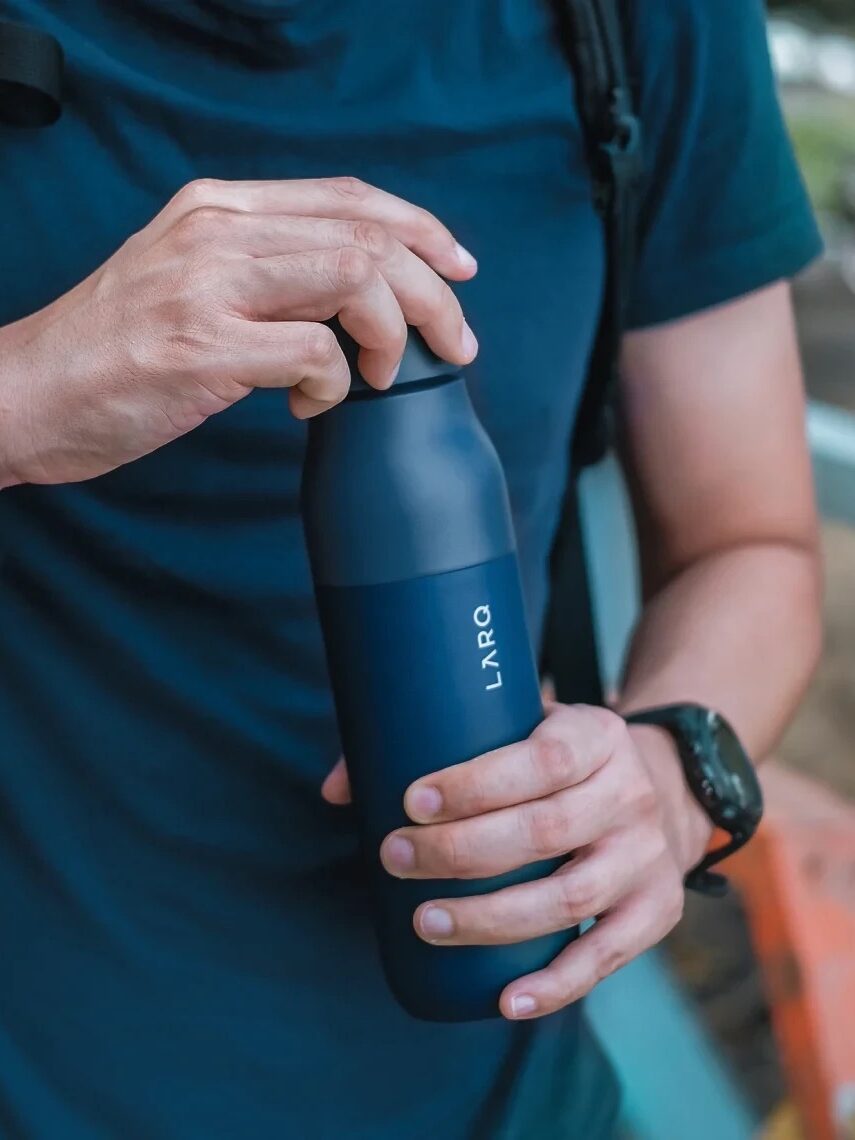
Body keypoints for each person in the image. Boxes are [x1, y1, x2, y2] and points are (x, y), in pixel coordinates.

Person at [0, 1, 823, 1137]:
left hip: (508, 1089)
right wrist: (23, 391)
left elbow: (753, 545)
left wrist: (674, 782)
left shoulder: (640, 21)